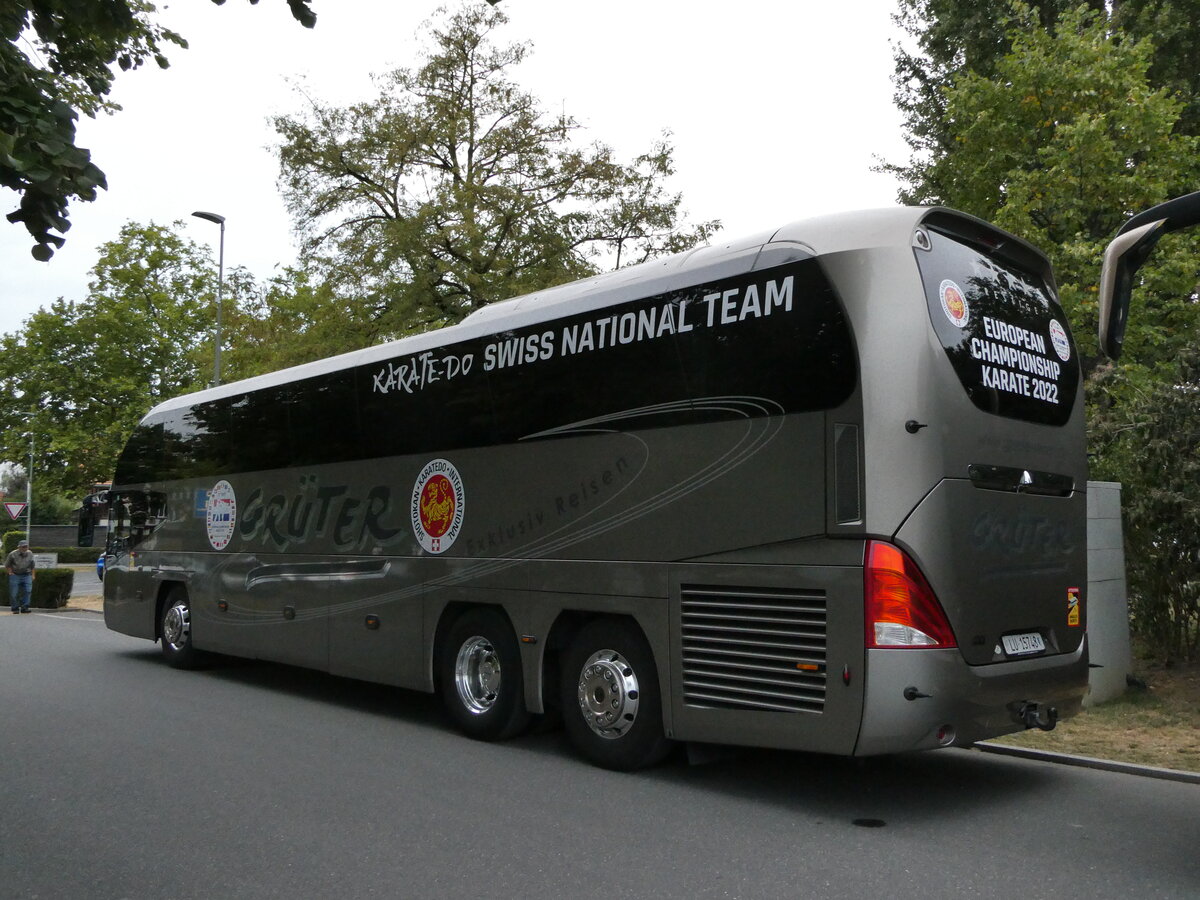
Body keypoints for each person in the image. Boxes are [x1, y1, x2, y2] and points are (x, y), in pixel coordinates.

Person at [5, 538, 35, 614]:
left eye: (26, 546)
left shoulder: (30, 553)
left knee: (28, 591)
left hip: (27, 575)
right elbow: (7, 565)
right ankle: (15, 608)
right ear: (19, 547)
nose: (24, 548)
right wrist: (10, 573)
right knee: (14, 593)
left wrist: (33, 575)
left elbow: (33, 565)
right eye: (23, 547)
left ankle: (25, 607)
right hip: (15, 575)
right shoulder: (12, 554)